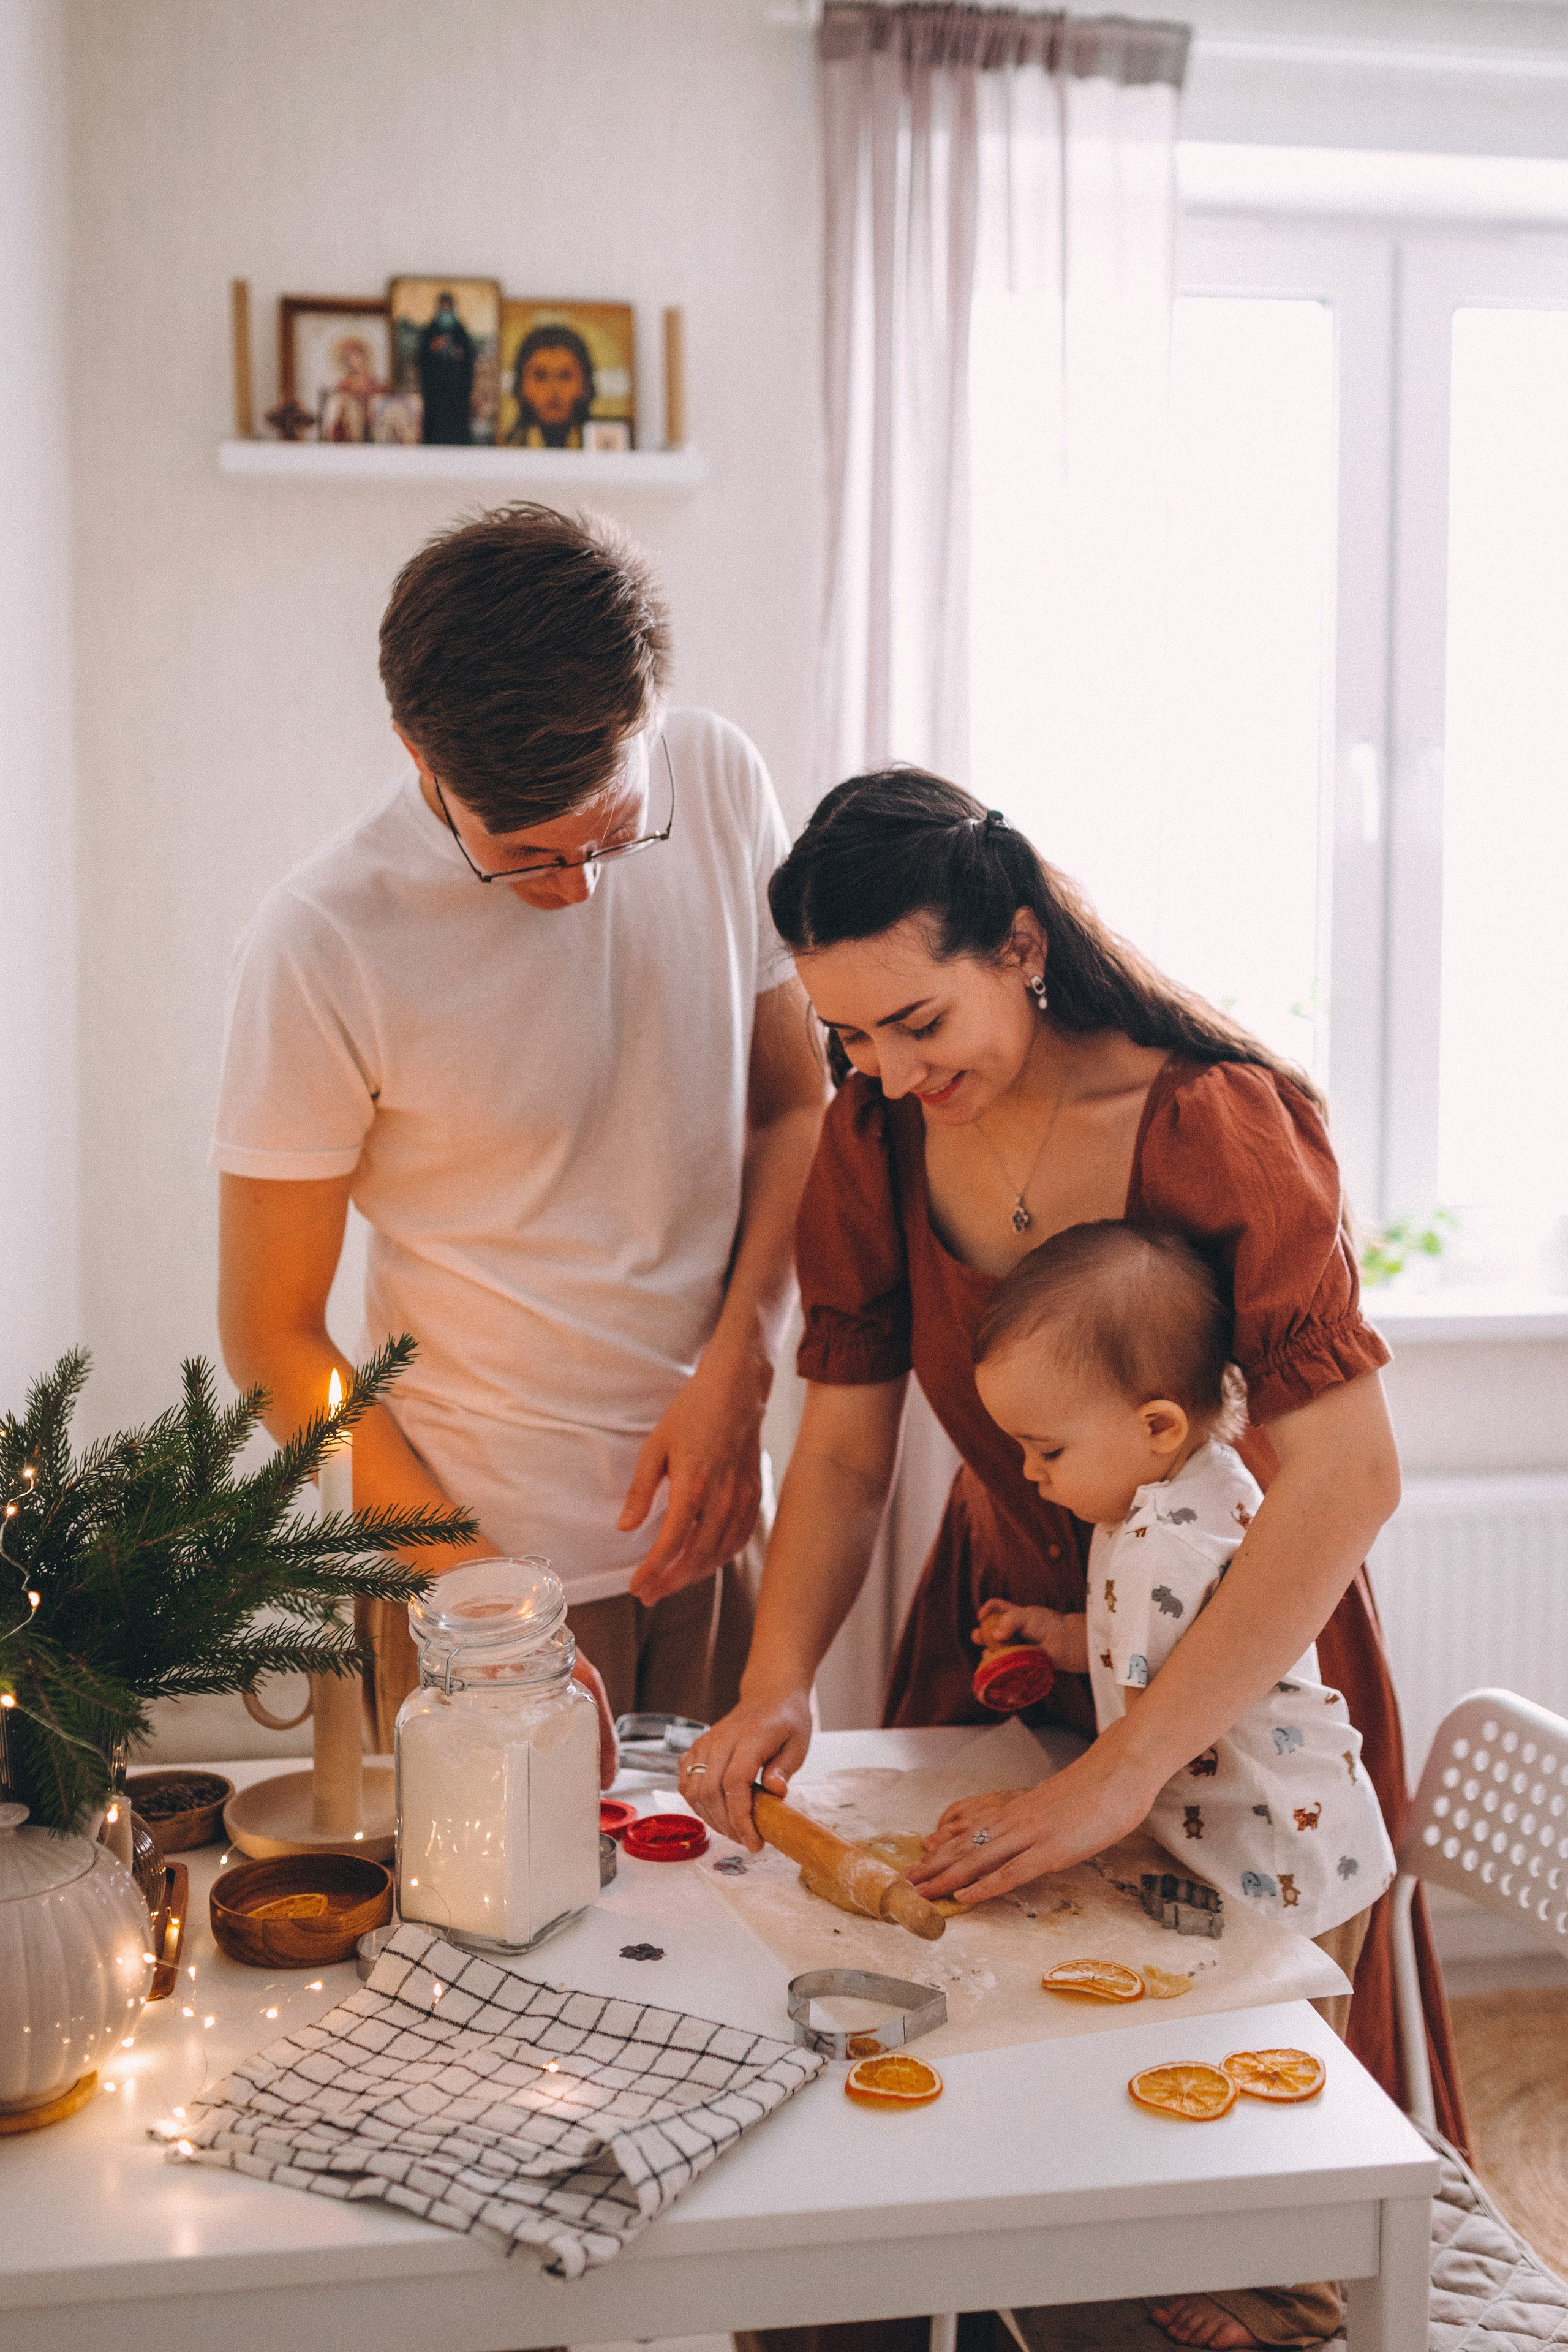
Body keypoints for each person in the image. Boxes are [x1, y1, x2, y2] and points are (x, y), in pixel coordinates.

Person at [682, 767, 1464, 2347]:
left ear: (1019, 945)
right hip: (1007, 1636)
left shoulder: (1213, 1122)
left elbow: (1343, 1472)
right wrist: (774, 1684)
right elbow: (841, 1451)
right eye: (850, 1038)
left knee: (1216, 2160)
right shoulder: (869, 1140)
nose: (890, 1075)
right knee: (967, 2113)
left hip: (1230, 1670)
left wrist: (1120, 1771)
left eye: (917, 1022)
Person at [213, 503, 824, 1773]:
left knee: (729, 1932)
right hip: (472, 1561)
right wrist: (484, 1593)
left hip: (709, 1511)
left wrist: (745, 1361)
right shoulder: (322, 941)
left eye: (611, 831)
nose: (575, 887)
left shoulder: (716, 779)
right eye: (522, 855)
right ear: (414, 751)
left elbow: (791, 1105)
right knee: (489, 1952)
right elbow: (271, 1335)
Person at [969, 1219, 1395, 2351]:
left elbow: (1151, 1670)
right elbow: (1138, 1650)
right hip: (1264, 1853)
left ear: (1155, 1425)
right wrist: (1054, 1635)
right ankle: (1246, 2266)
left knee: (1292, 2092)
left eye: (1045, 1449)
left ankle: (1299, 2312)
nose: (1030, 1472)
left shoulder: (1167, 1536)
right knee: (1241, 2079)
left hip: (1291, 1868)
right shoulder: (1164, 1497)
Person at [508, 322, 596, 448]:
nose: (553, 390)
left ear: (585, 385)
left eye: (565, 376)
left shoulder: (601, 448)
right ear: (521, 387)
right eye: (540, 377)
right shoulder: (506, 448)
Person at [416, 290, 475, 444]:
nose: (446, 313)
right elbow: (421, 358)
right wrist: (433, 348)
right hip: (435, 390)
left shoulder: (461, 331)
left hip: (456, 390)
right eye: (443, 309)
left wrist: (459, 353)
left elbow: (469, 357)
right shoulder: (430, 331)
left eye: (449, 309)